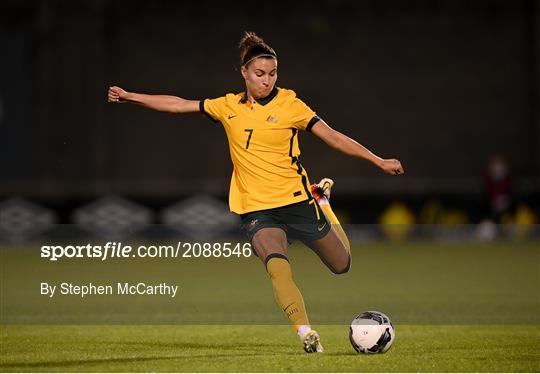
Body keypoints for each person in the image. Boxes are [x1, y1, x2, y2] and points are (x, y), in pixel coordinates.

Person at [108, 31, 404, 353]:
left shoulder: (290, 104)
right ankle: (306, 333)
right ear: (243, 73)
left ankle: (322, 201)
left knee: (341, 264)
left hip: (297, 201)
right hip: (257, 209)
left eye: (272, 73)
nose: (267, 81)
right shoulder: (227, 106)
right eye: (260, 74)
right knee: (277, 265)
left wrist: (378, 160)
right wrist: (131, 96)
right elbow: (179, 105)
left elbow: (332, 136)